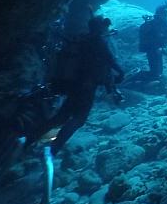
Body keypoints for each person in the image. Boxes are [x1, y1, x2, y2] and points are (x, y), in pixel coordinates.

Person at [48, 15, 124, 154]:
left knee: (62, 115)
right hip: (87, 86)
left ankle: (30, 137)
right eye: (104, 25)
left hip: (72, 82)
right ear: (100, 27)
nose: (106, 27)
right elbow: (110, 61)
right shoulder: (98, 42)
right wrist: (121, 73)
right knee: (79, 118)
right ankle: (53, 149)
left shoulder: (81, 39)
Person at [127, 2, 167, 83]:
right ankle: (134, 77)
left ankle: (137, 77)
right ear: (161, 14)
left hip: (156, 49)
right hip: (153, 49)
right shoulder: (155, 24)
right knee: (156, 73)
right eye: (166, 14)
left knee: (158, 72)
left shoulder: (161, 23)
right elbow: (162, 36)